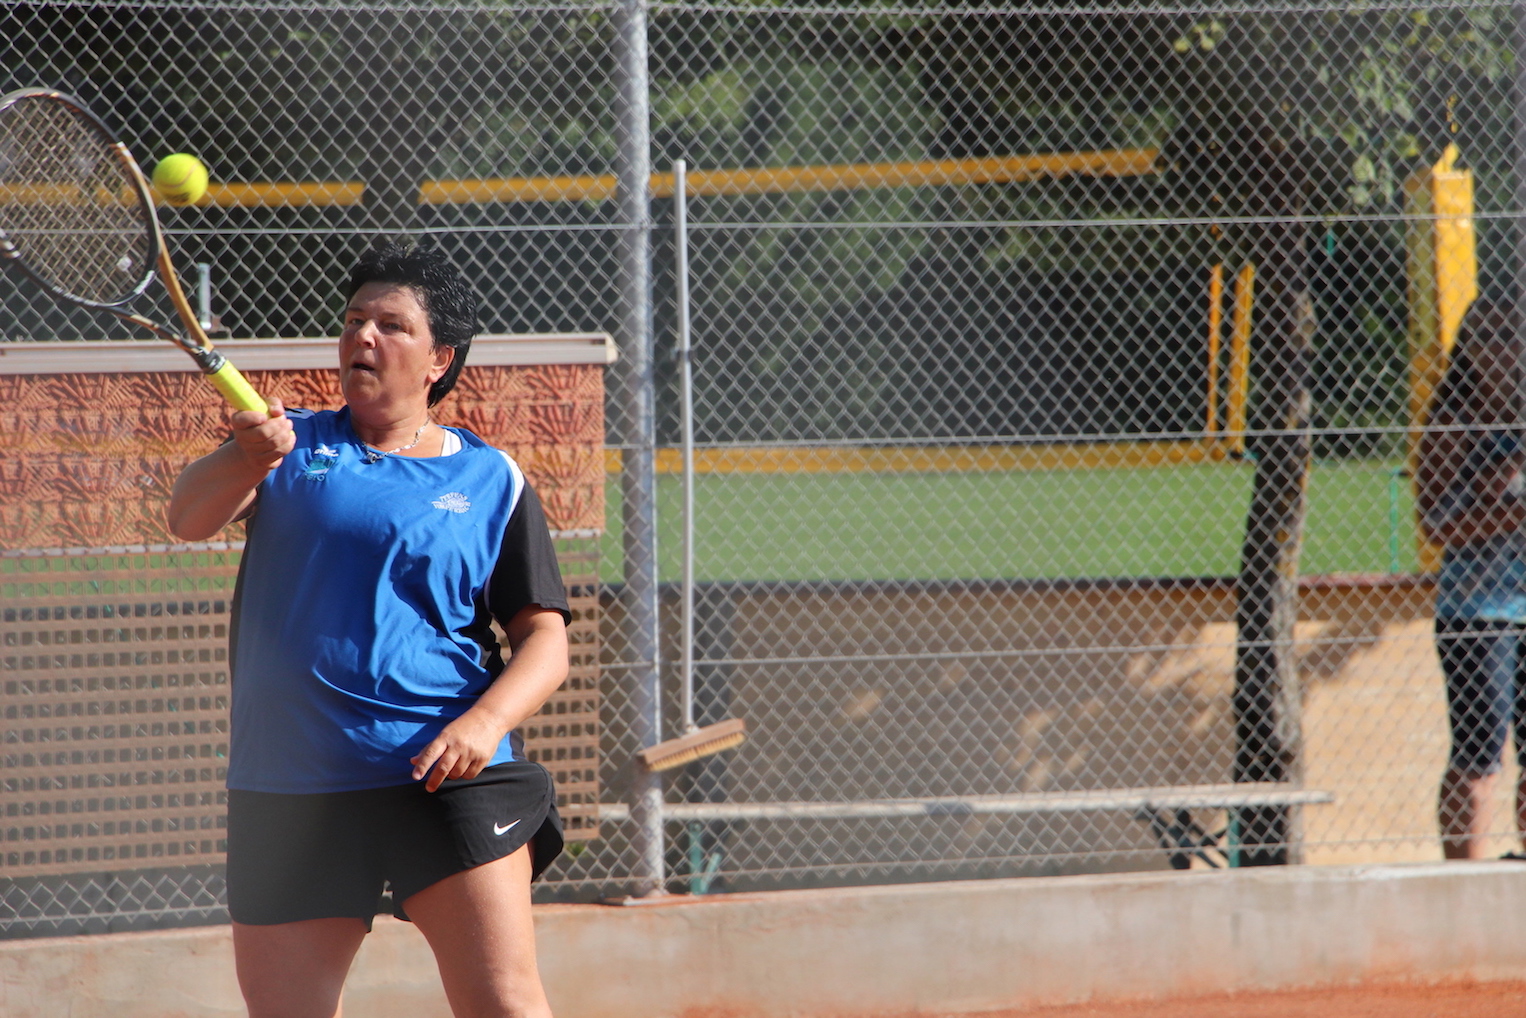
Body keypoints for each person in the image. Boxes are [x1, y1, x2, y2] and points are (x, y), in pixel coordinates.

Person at [167, 240, 571, 1018]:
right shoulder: (288, 446)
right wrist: (245, 458)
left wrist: (485, 723)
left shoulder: (491, 479)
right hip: (292, 784)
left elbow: (545, 639)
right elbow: (187, 516)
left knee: (505, 1004)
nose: (363, 335)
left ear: (439, 360)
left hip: (443, 774)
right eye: (354, 320)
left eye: (391, 325)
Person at [1417, 299, 1526, 860]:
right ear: (1469, 350)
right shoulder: (1453, 422)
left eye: (1513, 336)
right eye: (1490, 338)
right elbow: (1434, 525)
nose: (1505, 351)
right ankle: (1463, 882)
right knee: (1480, 755)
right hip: (1480, 610)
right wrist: (1509, 516)